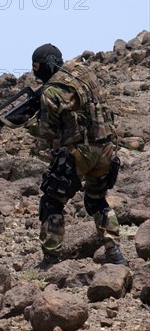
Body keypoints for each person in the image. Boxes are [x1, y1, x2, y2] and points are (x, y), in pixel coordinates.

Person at [23, 43, 127, 267]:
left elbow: (48, 132)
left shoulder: (50, 92)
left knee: (52, 203)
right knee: (97, 201)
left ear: (48, 64)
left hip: (80, 152)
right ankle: (115, 253)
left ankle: (50, 259)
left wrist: (28, 123)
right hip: (107, 149)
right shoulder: (84, 71)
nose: (35, 72)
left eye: (37, 66)